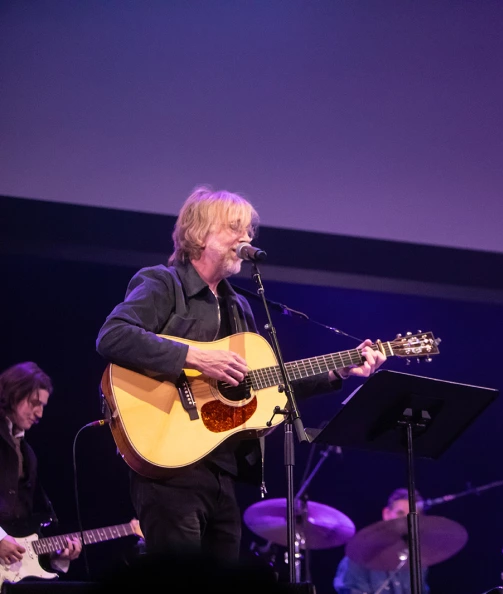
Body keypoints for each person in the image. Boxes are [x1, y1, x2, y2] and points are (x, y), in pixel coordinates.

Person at [96, 186, 386, 563]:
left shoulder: (239, 307)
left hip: (223, 470)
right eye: (235, 228)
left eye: (249, 230)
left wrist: (338, 371)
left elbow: (269, 388)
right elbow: (113, 335)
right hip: (167, 462)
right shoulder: (163, 283)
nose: (246, 238)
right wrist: (197, 357)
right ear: (199, 233)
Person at [0, 362, 82, 570]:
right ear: (14, 393)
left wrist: (56, 555)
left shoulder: (28, 453)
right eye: (34, 402)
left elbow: (25, 525)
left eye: (43, 406)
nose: (40, 414)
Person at [333, 488, 429, 594]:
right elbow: (350, 589)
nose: (405, 521)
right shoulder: (361, 553)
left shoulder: (418, 559)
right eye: (400, 513)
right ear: (386, 513)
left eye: (412, 516)